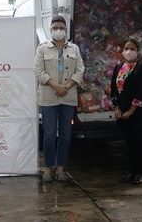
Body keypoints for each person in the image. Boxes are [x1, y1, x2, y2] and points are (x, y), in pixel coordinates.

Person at [34, 15, 84, 182]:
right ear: (50, 30)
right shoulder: (43, 49)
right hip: (49, 98)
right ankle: (49, 168)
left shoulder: (74, 49)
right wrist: (56, 86)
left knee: (65, 135)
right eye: (55, 28)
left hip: (68, 98)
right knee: (48, 135)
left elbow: (80, 70)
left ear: (66, 30)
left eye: (61, 28)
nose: (58, 31)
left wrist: (67, 87)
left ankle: (61, 168)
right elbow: (39, 71)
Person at [111, 38, 142, 184]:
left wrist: (131, 110)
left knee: (140, 143)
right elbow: (114, 89)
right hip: (122, 113)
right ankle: (132, 171)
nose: (128, 51)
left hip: (138, 114)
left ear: (137, 51)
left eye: (132, 49)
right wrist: (117, 107)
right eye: (126, 48)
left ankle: (141, 172)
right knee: (129, 144)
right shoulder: (118, 68)